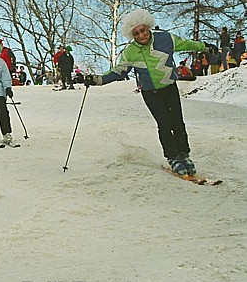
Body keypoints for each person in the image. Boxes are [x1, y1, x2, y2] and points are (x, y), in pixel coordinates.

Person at [84, 9, 206, 176]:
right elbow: (119, 71)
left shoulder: (166, 39)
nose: (141, 35)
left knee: (177, 122)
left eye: (143, 30)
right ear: (132, 36)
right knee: (164, 123)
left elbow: (187, 44)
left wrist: (204, 47)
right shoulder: (130, 52)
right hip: (150, 92)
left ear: (148, 26)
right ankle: (173, 157)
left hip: (169, 87)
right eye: (137, 33)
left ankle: (184, 155)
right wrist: (97, 80)